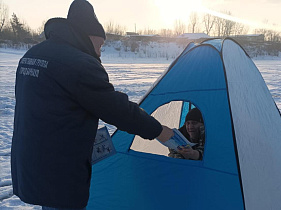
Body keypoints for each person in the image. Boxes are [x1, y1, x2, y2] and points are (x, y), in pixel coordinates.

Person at [11, 0, 173, 209]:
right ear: (89, 36)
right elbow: (117, 110)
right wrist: (159, 130)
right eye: (101, 45)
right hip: (60, 168)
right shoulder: (79, 63)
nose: (100, 52)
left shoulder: (33, 55)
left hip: (31, 161)